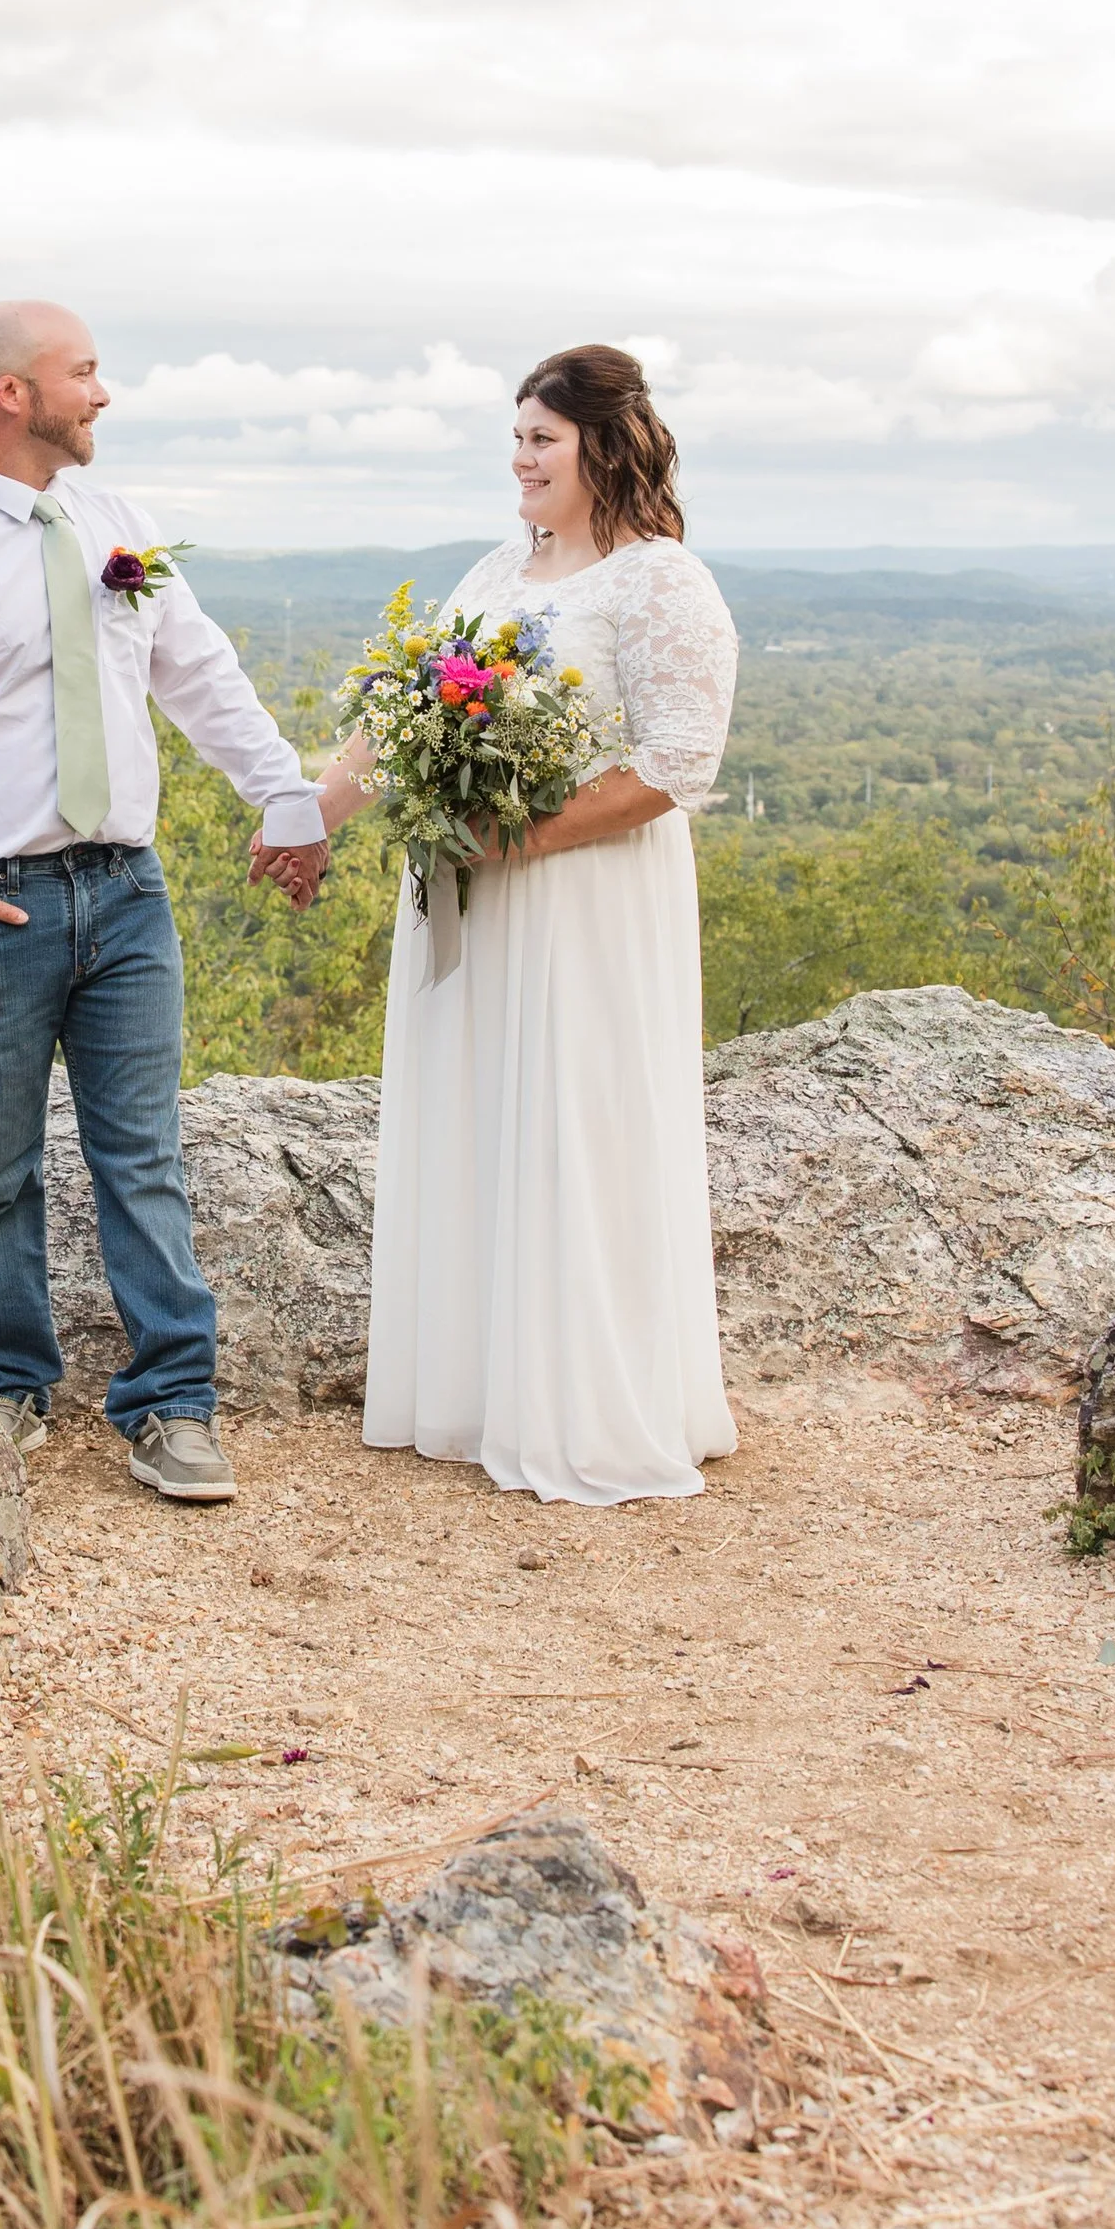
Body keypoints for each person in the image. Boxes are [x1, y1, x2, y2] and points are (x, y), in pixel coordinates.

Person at [0, 299, 330, 1505]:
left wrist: (286, 795)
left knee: (143, 1157)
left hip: (126, 897)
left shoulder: (120, 527)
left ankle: (173, 1403)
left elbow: (196, 673)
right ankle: (5, 1386)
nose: (102, 395)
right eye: (85, 373)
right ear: (14, 394)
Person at [278, 343, 739, 1506]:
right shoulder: (496, 567)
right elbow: (400, 711)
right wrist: (314, 813)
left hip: (586, 893)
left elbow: (678, 764)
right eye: (515, 442)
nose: (521, 463)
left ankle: (590, 1399)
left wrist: (519, 839)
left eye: (540, 440)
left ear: (602, 443)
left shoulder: (658, 580)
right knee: (479, 1110)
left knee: (577, 1119)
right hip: (469, 890)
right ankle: (478, 1387)